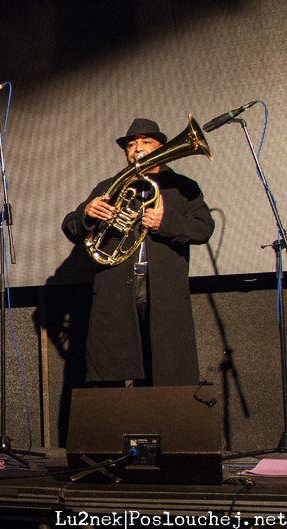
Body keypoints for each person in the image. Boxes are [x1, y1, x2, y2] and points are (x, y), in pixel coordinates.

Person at [61, 118, 214, 387]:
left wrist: (164, 223)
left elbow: (203, 229)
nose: (137, 148)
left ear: (162, 147)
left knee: (167, 368)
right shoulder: (108, 186)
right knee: (111, 372)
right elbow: (72, 229)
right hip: (116, 287)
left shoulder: (183, 186)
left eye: (145, 142)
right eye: (131, 144)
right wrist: (85, 212)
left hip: (163, 287)